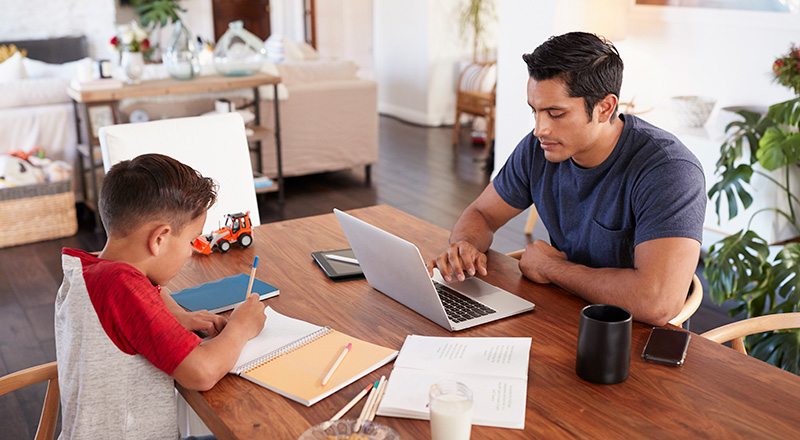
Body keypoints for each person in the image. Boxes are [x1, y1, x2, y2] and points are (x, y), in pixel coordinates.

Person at [428, 32, 706, 326]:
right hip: (562, 314)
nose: (539, 129)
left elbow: (656, 302)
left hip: (633, 339)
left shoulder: (670, 171)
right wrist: (465, 244)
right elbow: (483, 213)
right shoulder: (539, 149)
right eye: (534, 111)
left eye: (555, 113)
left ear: (605, 108)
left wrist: (552, 268)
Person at [55, 154, 267, 439]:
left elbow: (148, 288)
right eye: (192, 240)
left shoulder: (91, 270)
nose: (192, 250)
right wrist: (242, 326)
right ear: (159, 239)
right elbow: (201, 372)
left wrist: (177, 314)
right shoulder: (121, 287)